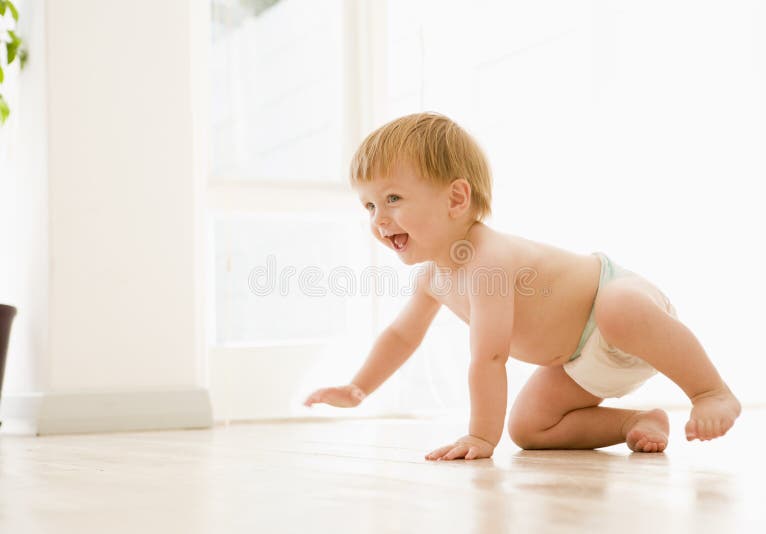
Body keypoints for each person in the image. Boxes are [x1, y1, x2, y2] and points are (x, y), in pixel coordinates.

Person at [303, 112, 741, 461]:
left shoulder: (487, 259)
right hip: (578, 359)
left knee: (618, 308)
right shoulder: (433, 278)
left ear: (456, 199)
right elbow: (401, 335)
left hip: (620, 304)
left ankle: (710, 390)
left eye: (393, 199)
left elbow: (490, 356)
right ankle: (635, 423)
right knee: (530, 427)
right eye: (370, 205)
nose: (379, 219)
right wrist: (358, 387)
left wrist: (480, 435)